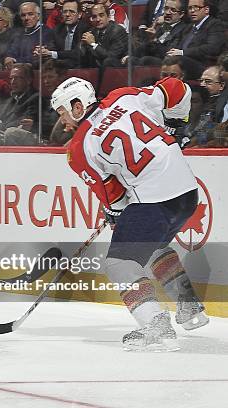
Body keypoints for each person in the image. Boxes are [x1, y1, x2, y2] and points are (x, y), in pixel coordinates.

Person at [51, 76, 208, 351]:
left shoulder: (79, 149)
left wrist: (114, 213)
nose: (62, 121)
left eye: (63, 112)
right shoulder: (124, 96)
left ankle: (155, 325)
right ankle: (189, 306)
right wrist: (177, 124)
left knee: (119, 262)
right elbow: (177, 87)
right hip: (187, 191)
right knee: (156, 246)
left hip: (155, 199)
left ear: (77, 106)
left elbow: (114, 197)